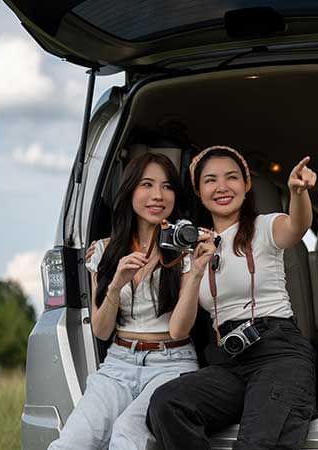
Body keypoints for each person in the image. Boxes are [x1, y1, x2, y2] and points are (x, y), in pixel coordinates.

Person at [146, 145, 318, 450]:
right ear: (199, 192)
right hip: (228, 361)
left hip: (278, 353)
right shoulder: (193, 249)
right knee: (167, 403)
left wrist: (298, 193)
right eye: (210, 180)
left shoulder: (265, 226)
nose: (222, 187)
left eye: (232, 178)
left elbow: (297, 226)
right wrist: (197, 270)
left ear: (246, 185)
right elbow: (178, 330)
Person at [48, 152, 214, 450]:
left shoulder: (187, 252)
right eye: (146, 185)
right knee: (70, 443)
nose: (157, 195)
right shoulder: (103, 251)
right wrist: (116, 285)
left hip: (172, 363)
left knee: (127, 437)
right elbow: (100, 331)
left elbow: (179, 330)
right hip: (118, 364)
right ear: (129, 192)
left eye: (167, 187)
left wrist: (196, 271)